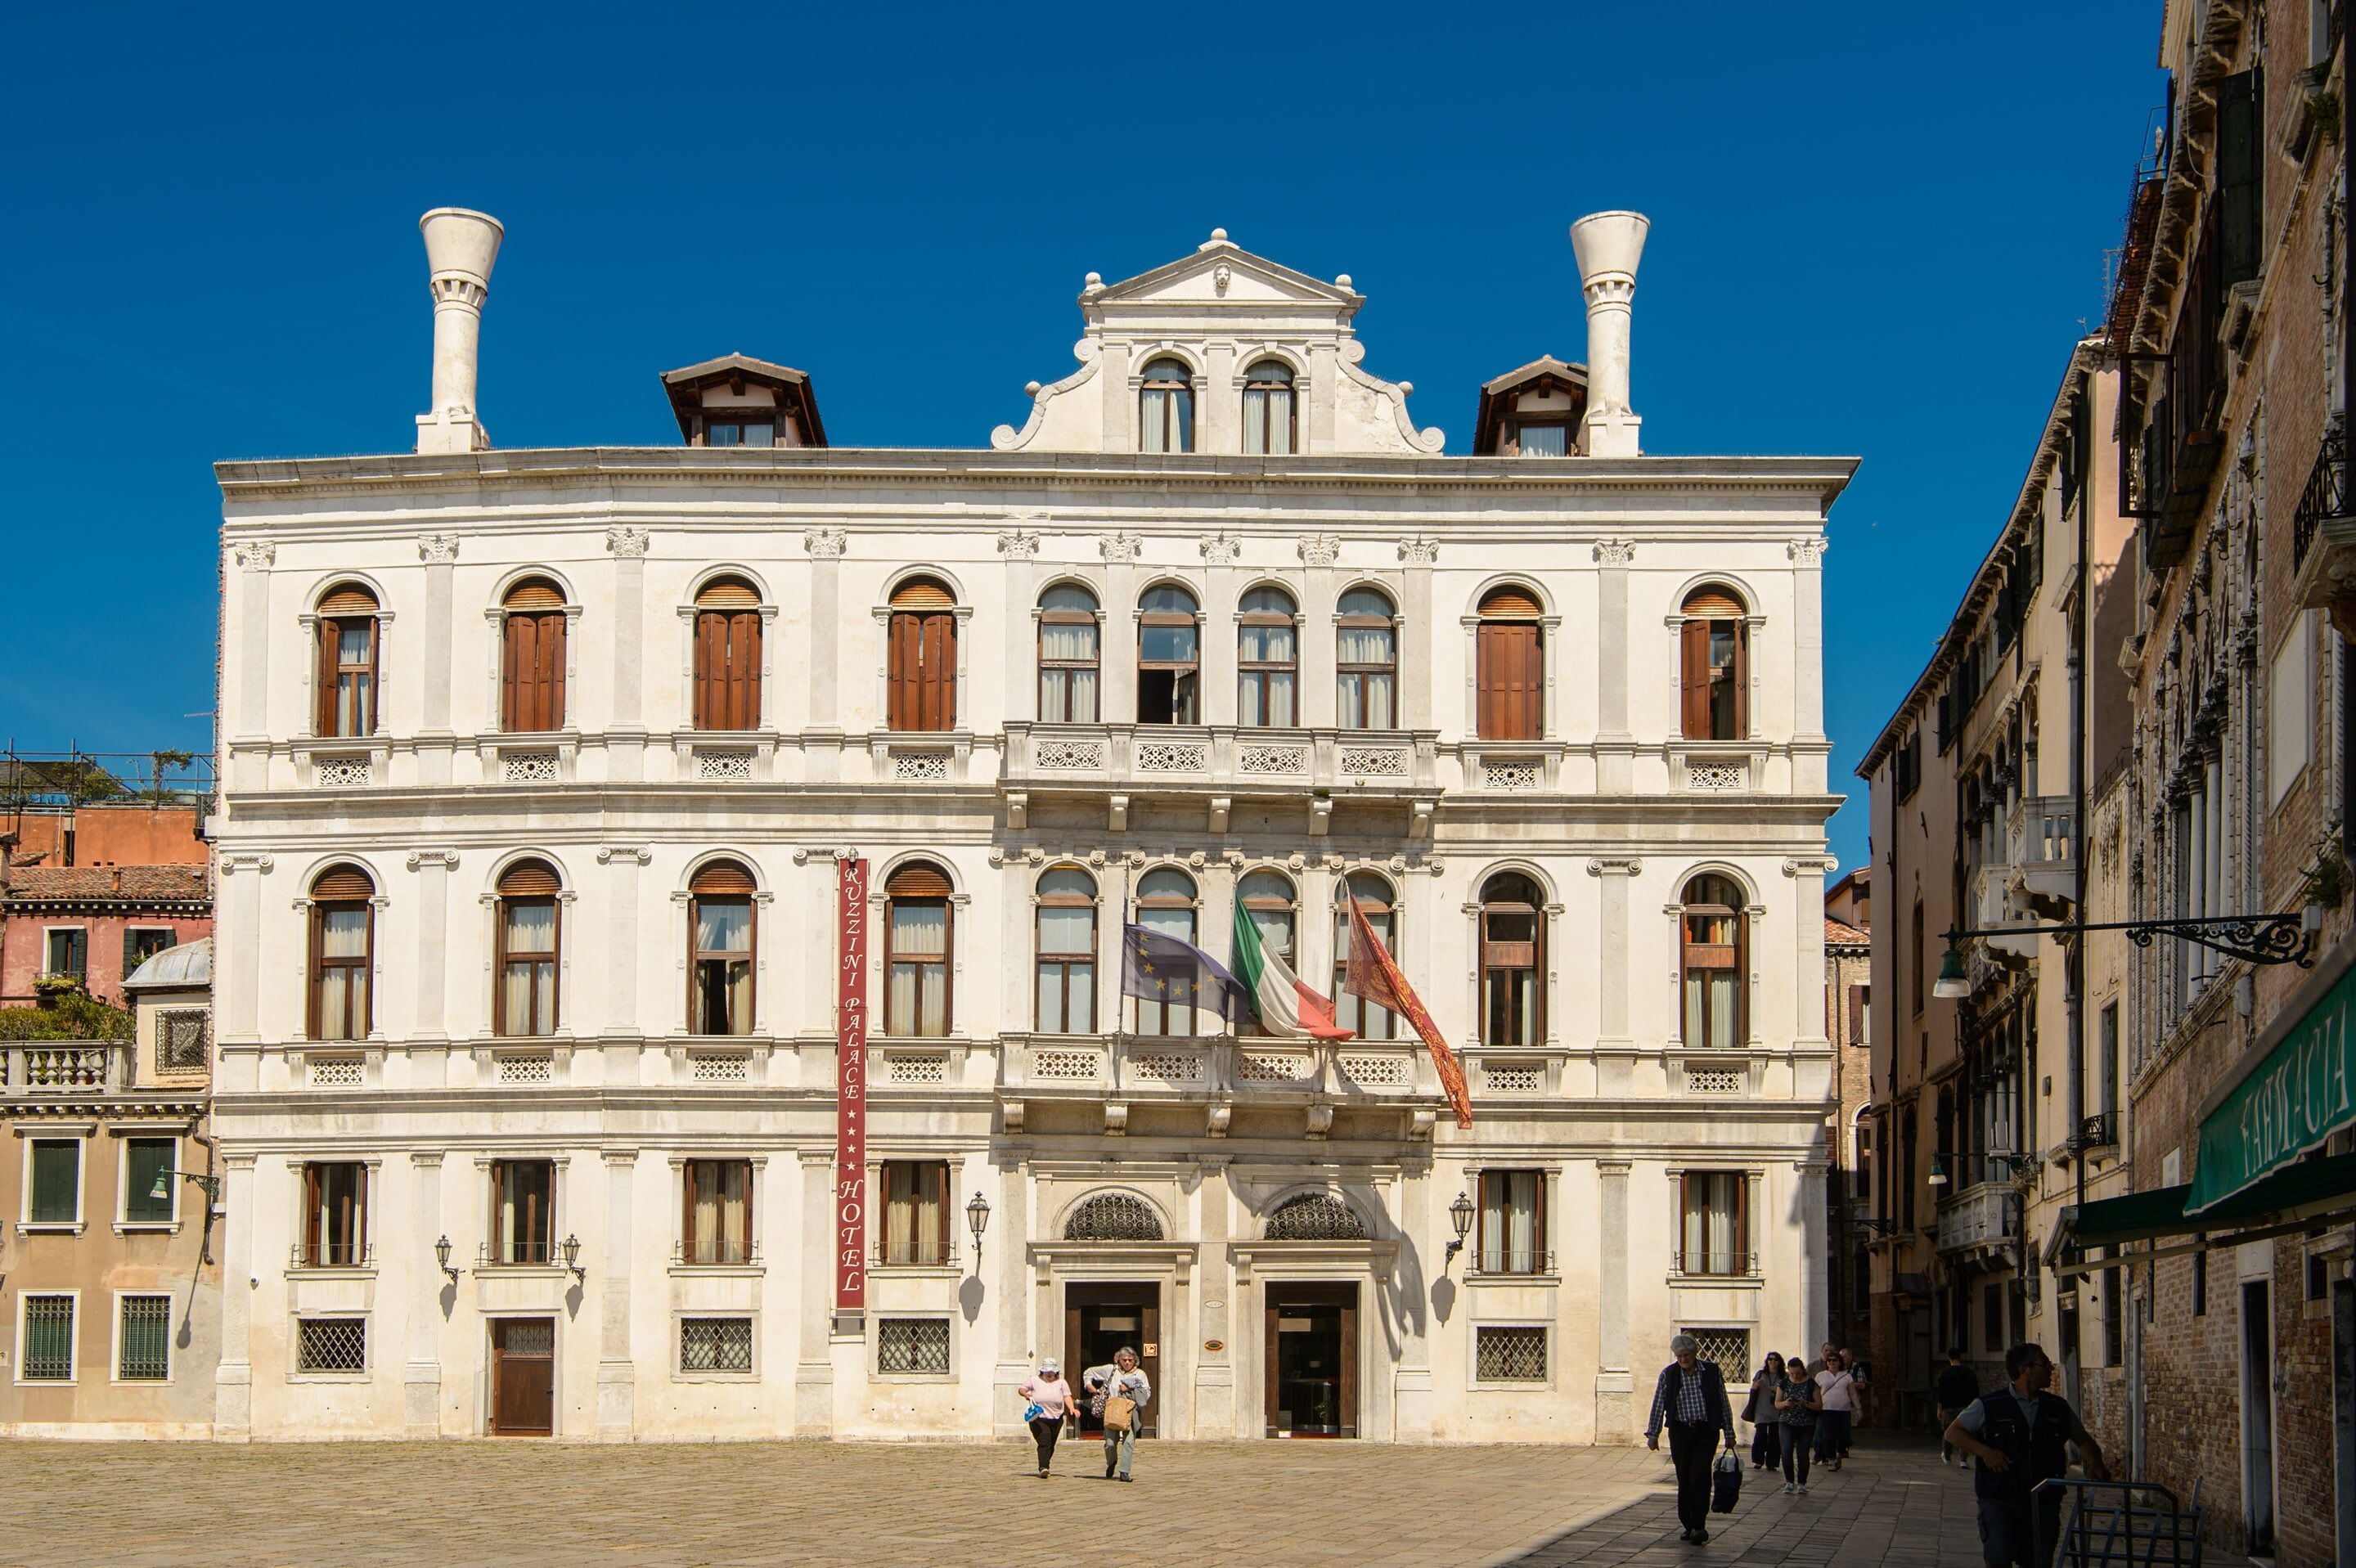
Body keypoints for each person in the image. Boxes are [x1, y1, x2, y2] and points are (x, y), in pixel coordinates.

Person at [1943, 1342, 2111, 1568]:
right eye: (2045, 1364)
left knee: (2038, 1561)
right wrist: (1985, 1452)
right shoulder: (1990, 1404)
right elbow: (1953, 1432)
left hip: (2044, 1501)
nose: (2051, 1368)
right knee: (1999, 1558)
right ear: (2024, 1370)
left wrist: (2097, 1466)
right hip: (2000, 1498)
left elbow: (2083, 1440)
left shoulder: (2057, 1407)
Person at [1644, 1333, 1738, 1545]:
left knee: (1700, 1476)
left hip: (1706, 1430)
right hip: (1680, 1431)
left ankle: (1698, 1524)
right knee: (1684, 1477)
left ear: (1695, 1354)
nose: (1683, 1359)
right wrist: (1653, 1433)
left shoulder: (1711, 1372)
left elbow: (1722, 1402)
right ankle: (1687, 1523)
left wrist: (1729, 1433)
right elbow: (1659, 1403)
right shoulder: (1669, 1374)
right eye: (1679, 1356)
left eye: (1687, 1355)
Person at [1084, 1346, 1152, 1482]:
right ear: (1119, 1360)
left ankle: (1124, 1472)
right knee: (1109, 1443)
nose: (1127, 1363)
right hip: (1113, 1409)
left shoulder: (1140, 1374)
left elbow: (1147, 1393)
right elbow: (1088, 1372)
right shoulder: (1111, 1370)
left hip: (1130, 1410)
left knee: (1128, 1442)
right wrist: (1089, 1385)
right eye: (1124, 1360)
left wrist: (1130, 1389)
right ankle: (1112, 1461)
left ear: (1135, 1361)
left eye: (1130, 1360)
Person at [1016, 1356, 1077, 1477]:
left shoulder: (1062, 1383)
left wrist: (1072, 1408)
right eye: (1047, 1372)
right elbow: (1022, 1389)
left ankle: (1045, 1463)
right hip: (1039, 1417)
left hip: (1056, 1418)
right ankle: (1043, 1467)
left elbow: (1067, 1396)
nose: (1050, 1374)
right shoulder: (1034, 1380)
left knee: (1051, 1444)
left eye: (1052, 1372)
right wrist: (1026, 1394)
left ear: (1056, 1372)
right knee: (1045, 1441)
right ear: (1042, 1371)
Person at [1772, 1347, 1822, 1494]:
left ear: (1803, 1370)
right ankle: (1789, 1482)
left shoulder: (1811, 1384)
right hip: (1786, 1421)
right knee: (1786, 1451)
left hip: (1806, 1423)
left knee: (1803, 1453)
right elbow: (1777, 1403)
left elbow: (1819, 1405)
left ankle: (1801, 1483)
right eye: (1792, 1373)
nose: (1795, 1376)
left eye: (1798, 1373)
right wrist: (1786, 1403)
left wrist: (1805, 1403)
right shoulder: (1784, 1383)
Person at [1935, 1347, 1982, 1467]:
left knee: (1948, 1431)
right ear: (1960, 1357)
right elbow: (1975, 1392)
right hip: (1966, 1406)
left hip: (1949, 1407)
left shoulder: (1944, 1373)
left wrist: (1939, 1409)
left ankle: (1947, 1456)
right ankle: (1963, 1460)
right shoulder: (1969, 1372)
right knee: (1965, 1432)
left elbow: (1941, 1392)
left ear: (1949, 1358)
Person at [1813, 1350, 1856, 1471]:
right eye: (1829, 1360)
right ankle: (1831, 1460)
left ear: (1839, 1362)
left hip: (1843, 1410)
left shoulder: (1846, 1376)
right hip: (1826, 1409)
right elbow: (1815, 1392)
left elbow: (1852, 1393)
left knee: (1844, 1437)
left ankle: (1840, 1453)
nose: (1832, 1362)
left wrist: (1858, 1408)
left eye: (1835, 1360)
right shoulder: (1820, 1376)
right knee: (1828, 1436)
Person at [1747, 1351, 1787, 1469]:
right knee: (1760, 1436)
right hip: (1761, 1409)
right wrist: (1756, 1385)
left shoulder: (1783, 1376)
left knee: (1775, 1438)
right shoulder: (1761, 1374)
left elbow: (1788, 1391)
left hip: (1777, 1410)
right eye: (1770, 1359)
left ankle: (1772, 1463)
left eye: (1775, 1360)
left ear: (1779, 1362)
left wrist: (1778, 1390)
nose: (1772, 1362)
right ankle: (1758, 1460)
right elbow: (1753, 1388)